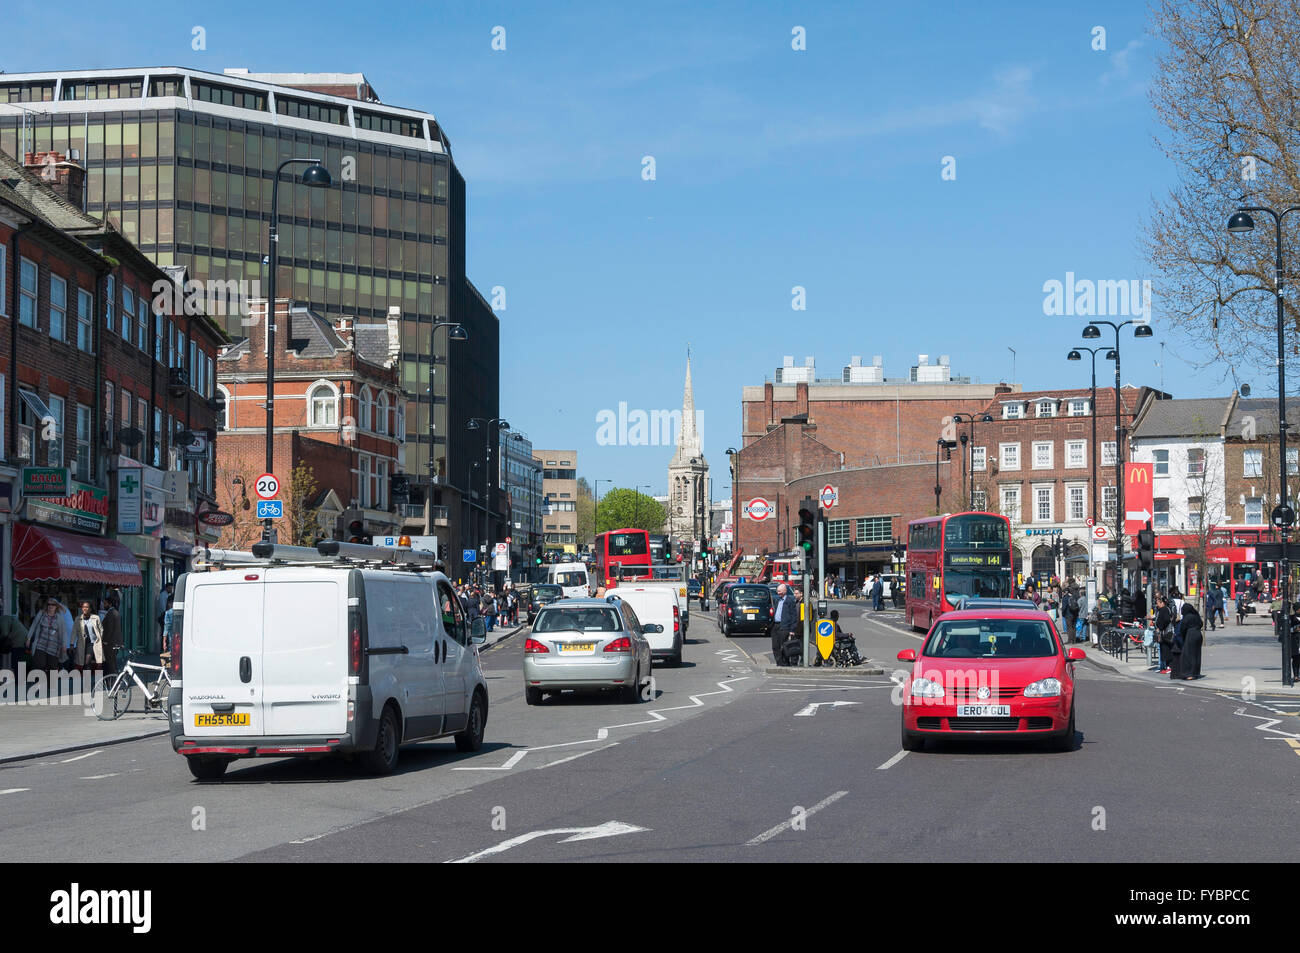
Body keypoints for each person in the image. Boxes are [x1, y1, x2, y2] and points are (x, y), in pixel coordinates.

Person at [26, 597, 73, 674]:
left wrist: (64, 645)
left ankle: (50, 684)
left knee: (52, 667)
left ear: (56, 606)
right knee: (40, 664)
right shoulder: (41, 614)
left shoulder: (59, 617)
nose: (51, 606)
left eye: (53, 605)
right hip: (41, 644)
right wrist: (29, 638)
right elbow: (34, 625)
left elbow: (63, 632)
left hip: (54, 647)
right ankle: (41, 681)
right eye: (49, 604)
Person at [73, 600, 104, 673]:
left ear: (90, 609)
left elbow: (101, 630)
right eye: (83, 607)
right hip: (82, 643)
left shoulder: (96, 618)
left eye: (86, 607)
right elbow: (74, 632)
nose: (84, 608)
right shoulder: (78, 618)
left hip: (92, 643)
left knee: (87, 661)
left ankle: (87, 681)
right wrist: (72, 644)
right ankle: (87, 681)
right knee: (82, 662)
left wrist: (99, 640)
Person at [1176, 602, 1204, 680]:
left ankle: (1189, 673)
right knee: (1196, 654)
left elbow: (1182, 628)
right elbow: (1201, 624)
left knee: (1188, 655)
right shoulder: (1196, 615)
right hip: (1198, 634)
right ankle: (1195, 672)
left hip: (1190, 635)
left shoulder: (1187, 617)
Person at [771, 583, 798, 665]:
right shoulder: (777, 600)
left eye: (779, 591)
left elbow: (794, 616)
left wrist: (792, 629)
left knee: (784, 646)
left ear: (784, 591)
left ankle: (785, 662)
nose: (778, 593)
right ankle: (779, 662)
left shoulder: (790, 601)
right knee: (775, 646)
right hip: (775, 625)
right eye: (777, 591)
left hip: (784, 626)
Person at [0, 605, 27, 676]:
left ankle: (18, 680)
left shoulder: (2, 620)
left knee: (16, 661)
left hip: (19, 640)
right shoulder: (6, 618)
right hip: (22, 638)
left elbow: (5, 634)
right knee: (19, 660)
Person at [100, 596, 122, 676]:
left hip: (110, 643)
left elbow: (109, 629)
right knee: (113, 662)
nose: (104, 605)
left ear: (110, 604)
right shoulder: (115, 612)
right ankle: (114, 679)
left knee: (110, 663)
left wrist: (105, 641)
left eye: (105, 604)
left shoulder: (111, 613)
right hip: (115, 642)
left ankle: (112, 681)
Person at [1153, 594, 1174, 674]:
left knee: (1166, 650)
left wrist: (1160, 627)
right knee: (1163, 650)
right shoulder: (1162, 610)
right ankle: (1165, 667)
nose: (1156, 604)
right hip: (1163, 633)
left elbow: (1165, 620)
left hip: (1165, 633)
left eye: (1158, 603)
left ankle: (1169, 667)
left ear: (1162, 603)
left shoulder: (1165, 610)